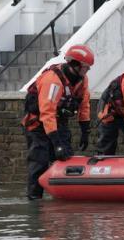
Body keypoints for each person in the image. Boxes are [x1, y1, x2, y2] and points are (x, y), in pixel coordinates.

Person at [21, 44, 94, 200]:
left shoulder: (82, 80)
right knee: (39, 162)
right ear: (75, 64)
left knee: (66, 159)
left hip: (58, 124)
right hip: (38, 126)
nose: (87, 71)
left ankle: (65, 198)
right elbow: (47, 113)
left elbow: (84, 104)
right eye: (85, 67)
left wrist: (85, 130)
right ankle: (34, 200)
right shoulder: (53, 80)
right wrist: (56, 143)